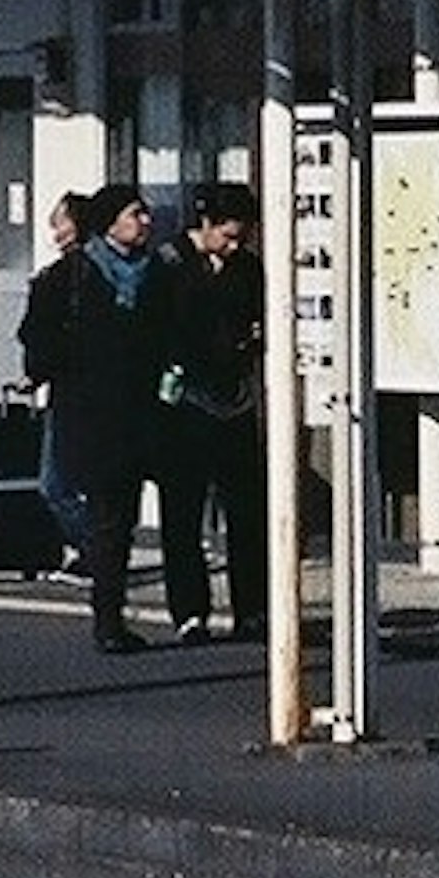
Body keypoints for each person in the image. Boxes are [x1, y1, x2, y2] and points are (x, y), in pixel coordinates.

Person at [32, 181, 184, 645]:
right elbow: (37, 339)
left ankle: (114, 617)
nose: (145, 221)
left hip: (141, 415)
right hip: (88, 413)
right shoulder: (70, 276)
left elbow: (172, 332)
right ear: (110, 221)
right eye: (135, 213)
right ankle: (107, 618)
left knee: (122, 517)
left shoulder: (158, 274)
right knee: (101, 513)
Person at [156, 188, 270, 645]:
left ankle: (253, 608)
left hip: (234, 398)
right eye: (228, 235)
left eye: (242, 237)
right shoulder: (170, 264)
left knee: (246, 511)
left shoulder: (247, 268)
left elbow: (259, 316)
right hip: (186, 401)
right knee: (183, 513)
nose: (236, 245)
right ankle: (189, 611)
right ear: (206, 223)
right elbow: (158, 329)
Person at [11, 190, 93, 559]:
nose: (53, 230)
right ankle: (99, 548)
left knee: (55, 483)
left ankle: (96, 549)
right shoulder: (101, 271)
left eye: (59, 221)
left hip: (71, 392)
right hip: (100, 389)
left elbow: (38, 333)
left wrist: (36, 373)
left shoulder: (58, 277)